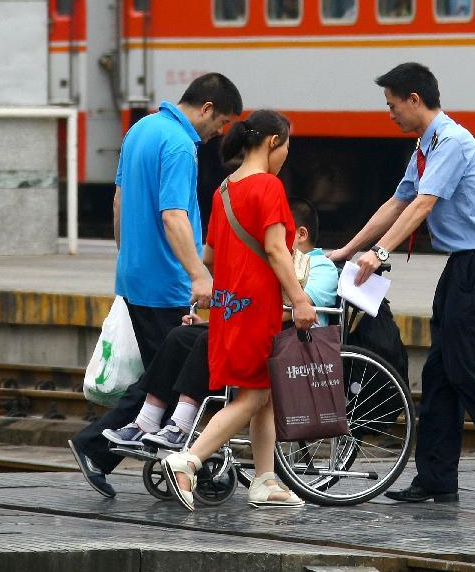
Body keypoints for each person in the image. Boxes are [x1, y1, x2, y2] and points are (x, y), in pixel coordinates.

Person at [329, 62, 475, 503]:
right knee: (439, 373)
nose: (388, 113)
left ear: (415, 99)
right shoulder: (425, 146)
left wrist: (380, 253)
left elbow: (422, 205)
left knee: (463, 371)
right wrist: (346, 249)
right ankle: (436, 479)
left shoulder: (450, 142)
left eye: (392, 105)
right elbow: (398, 201)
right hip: (463, 267)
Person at [68, 72, 243, 498]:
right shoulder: (181, 145)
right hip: (167, 282)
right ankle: (96, 446)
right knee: (172, 376)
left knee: (160, 377)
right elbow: (173, 216)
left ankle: (171, 457)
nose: (218, 133)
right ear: (206, 108)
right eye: (219, 123)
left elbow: (118, 201)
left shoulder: (140, 129)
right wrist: (199, 274)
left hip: (136, 275)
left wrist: (127, 257)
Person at [162, 110, 317, 510]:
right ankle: (187, 461)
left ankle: (265, 480)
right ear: (272, 142)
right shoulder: (268, 186)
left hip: (230, 309)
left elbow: (209, 255)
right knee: (251, 398)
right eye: (287, 144)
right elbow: (275, 250)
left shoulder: (224, 189)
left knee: (261, 394)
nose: (286, 153)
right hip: (257, 309)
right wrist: (299, 299)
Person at [101, 197, 338, 451]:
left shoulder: (322, 267)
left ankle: (181, 425)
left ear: (300, 234)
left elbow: (289, 313)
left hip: (290, 342)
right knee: (181, 336)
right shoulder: (270, 263)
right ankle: (146, 421)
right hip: (251, 327)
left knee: (209, 339)